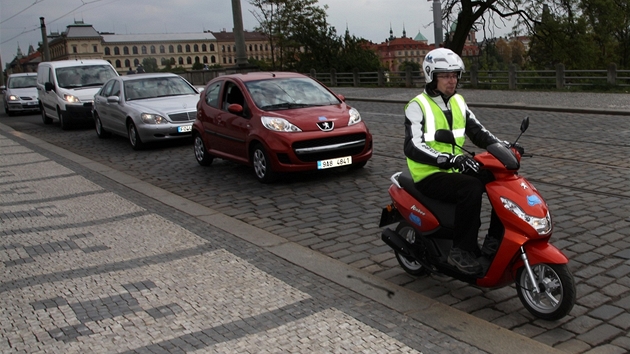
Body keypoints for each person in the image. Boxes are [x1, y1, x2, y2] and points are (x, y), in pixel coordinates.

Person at [403, 48, 501, 275]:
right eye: (445, 75)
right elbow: (412, 145)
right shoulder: (417, 106)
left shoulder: (458, 102)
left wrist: (503, 147)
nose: (452, 80)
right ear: (431, 75)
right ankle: (460, 250)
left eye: (455, 75)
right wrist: (447, 158)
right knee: (471, 187)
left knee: (497, 176)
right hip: (428, 174)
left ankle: (494, 239)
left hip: (454, 167)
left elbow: (478, 131)